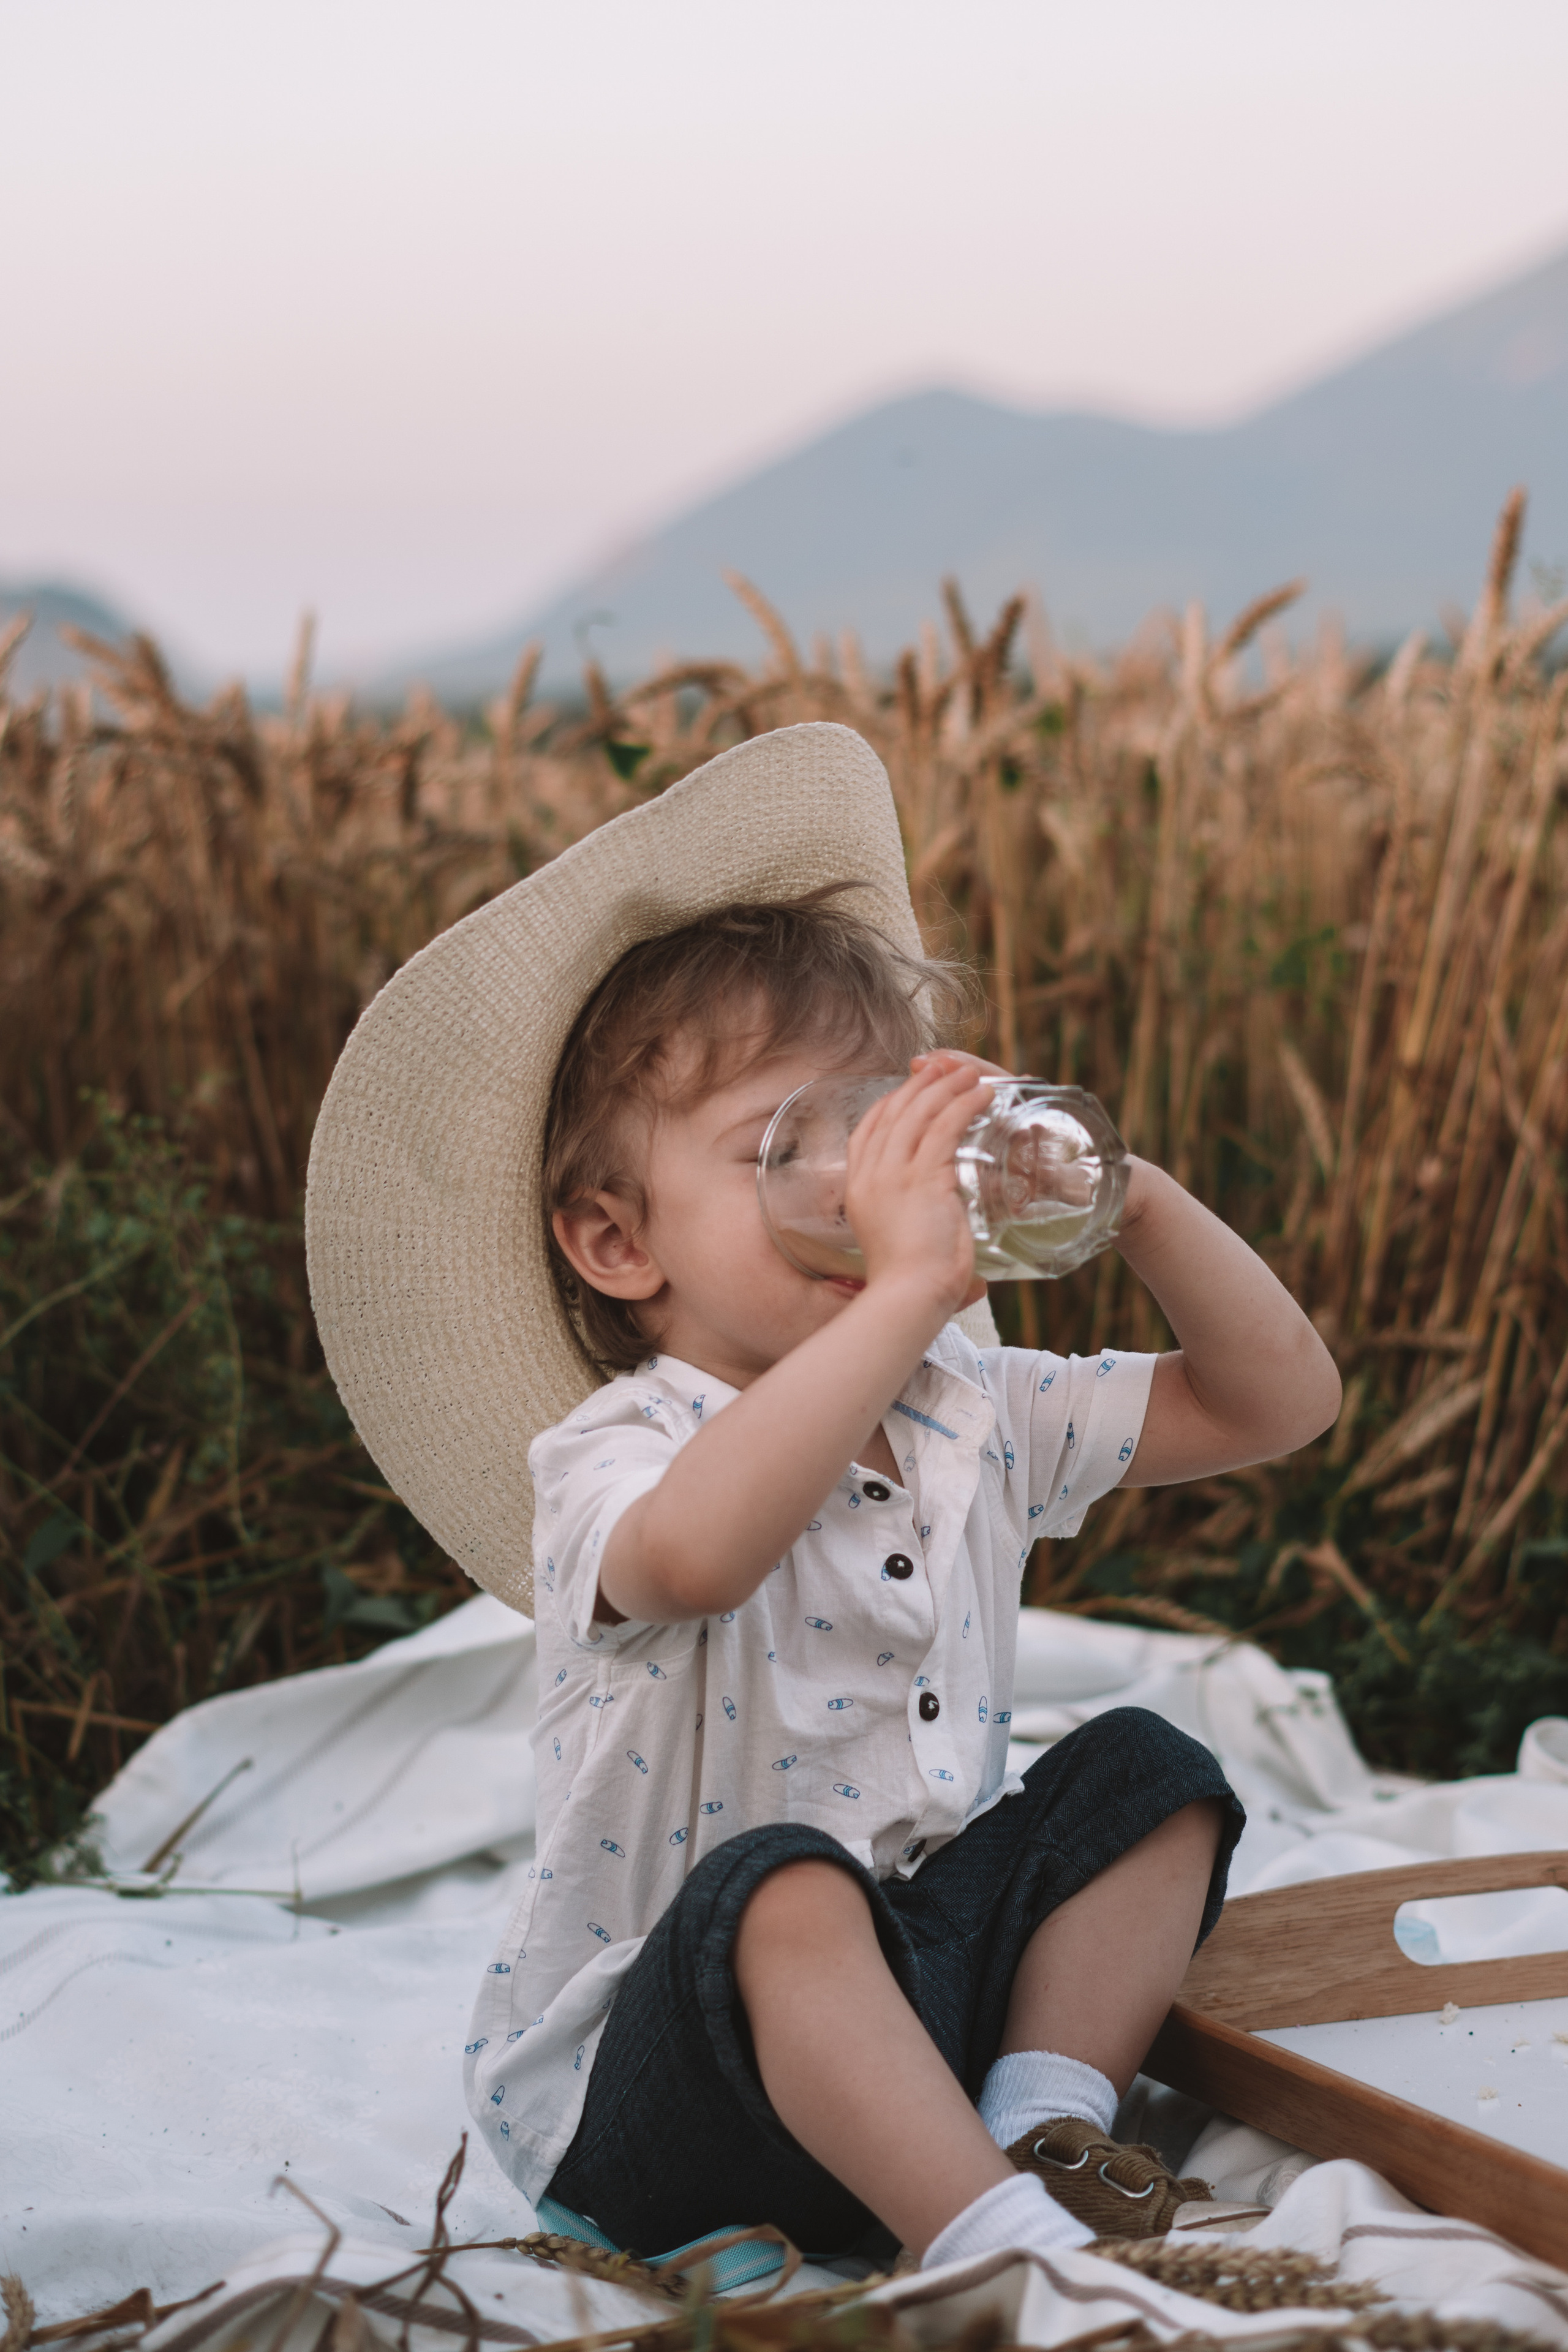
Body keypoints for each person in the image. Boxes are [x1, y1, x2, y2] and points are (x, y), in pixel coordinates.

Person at [305, 722, 1340, 2273]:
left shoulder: (966, 1408)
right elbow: (700, 1555)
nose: (852, 1188)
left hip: (901, 2040)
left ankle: (1034, 2134)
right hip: (667, 2084)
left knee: (1148, 1773)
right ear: (616, 1244)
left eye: (869, 1130)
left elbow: (1275, 1402)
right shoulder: (616, 1449)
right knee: (780, 1888)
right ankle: (996, 2252)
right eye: (778, 1148)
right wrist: (911, 1281)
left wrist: (1126, 1197)